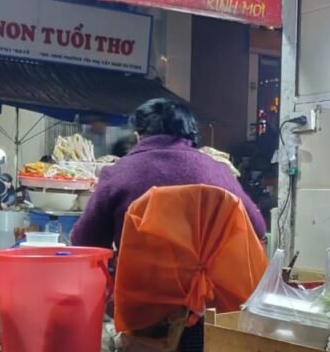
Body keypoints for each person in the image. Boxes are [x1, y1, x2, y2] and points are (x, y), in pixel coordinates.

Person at [71, 98, 266, 250]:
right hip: (210, 297)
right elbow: (258, 228)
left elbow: (85, 241)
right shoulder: (219, 172)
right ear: (190, 135)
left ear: (139, 135)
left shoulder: (117, 173)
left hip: (137, 295)